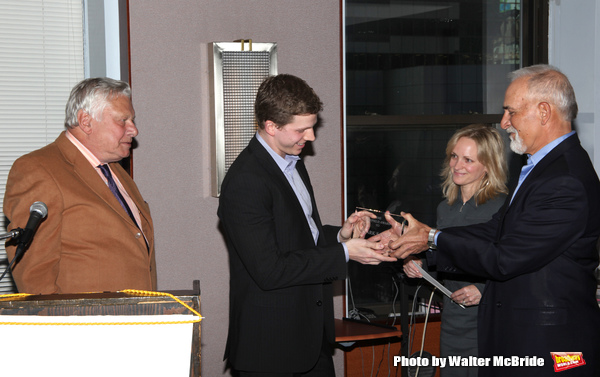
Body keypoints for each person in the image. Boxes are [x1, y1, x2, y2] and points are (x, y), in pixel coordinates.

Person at [378, 65, 600, 377]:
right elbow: (497, 228)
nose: (504, 122)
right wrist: (426, 238)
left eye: (511, 111)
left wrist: (432, 239)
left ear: (544, 112)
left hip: (546, 346)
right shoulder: (543, 167)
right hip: (520, 339)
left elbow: (505, 257)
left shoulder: (564, 179)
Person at [218, 73, 396, 377]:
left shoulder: (292, 162)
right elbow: (269, 270)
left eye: (312, 126)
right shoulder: (246, 181)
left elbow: (298, 238)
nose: (311, 137)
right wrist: (344, 253)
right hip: (272, 349)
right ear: (271, 126)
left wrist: (340, 235)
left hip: (310, 339)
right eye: (302, 129)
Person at [4, 77, 156, 295]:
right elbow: (34, 275)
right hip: (82, 325)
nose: (134, 130)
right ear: (86, 121)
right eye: (123, 120)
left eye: (132, 120)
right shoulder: (38, 169)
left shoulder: (116, 172)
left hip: (135, 320)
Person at [403, 124, 508, 377]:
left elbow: (515, 264)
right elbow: (445, 260)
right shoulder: (445, 209)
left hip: (488, 319)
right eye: (454, 156)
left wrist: (484, 290)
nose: (457, 165)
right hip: (452, 318)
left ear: (488, 166)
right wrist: (419, 264)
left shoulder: (502, 207)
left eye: (468, 159)